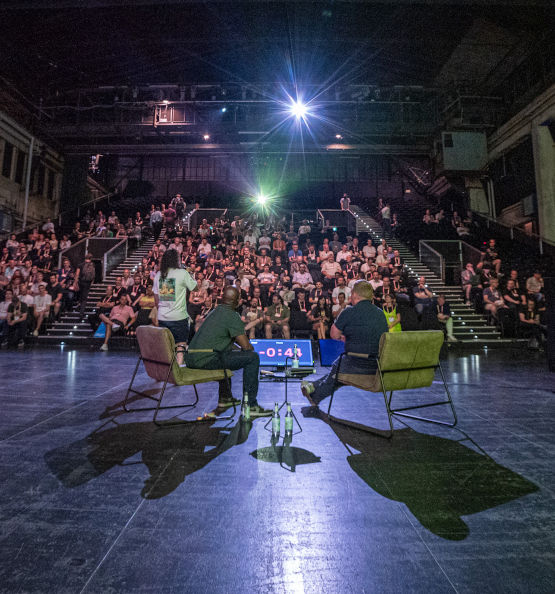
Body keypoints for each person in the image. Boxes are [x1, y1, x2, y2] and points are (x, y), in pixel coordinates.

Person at [185, 286, 271, 416]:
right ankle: (251, 406)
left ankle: (225, 399)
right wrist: (248, 349)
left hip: (192, 357)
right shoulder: (232, 315)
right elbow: (246, 347)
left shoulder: (215, 311)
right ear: (237, 301)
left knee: (226, 354)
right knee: (252, 358)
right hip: (205, 359)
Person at [301, 280, 388, 408]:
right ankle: (313, 386)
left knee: (339, 366)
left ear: (354, 295)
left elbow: (334, 334)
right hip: (376, 365)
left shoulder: (349, 312)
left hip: (357, 364)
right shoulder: (380, 313)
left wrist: (344, 335)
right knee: (340, 368)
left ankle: (316, 394)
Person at [153, 249, 197, 365]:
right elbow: (195, 288)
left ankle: (164, 371)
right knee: (180, 344)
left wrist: (162, 311)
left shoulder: (158, 275)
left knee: (166, 346)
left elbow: (156, 299)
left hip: (162, 317)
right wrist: (191, 274)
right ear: (176, 260)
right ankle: (178, 370)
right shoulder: (182, 273)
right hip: (178, 317)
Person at [77, 253, 96, 320]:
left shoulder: (81, 265)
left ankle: (80, 307)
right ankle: (81, 312)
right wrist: (91, 283)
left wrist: (75, 282)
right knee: (84, 298)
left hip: (81, 282)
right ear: (91, 258)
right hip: (88, 283)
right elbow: (93, 275)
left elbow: (77, 274)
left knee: (81, 295)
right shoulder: (92, 264)